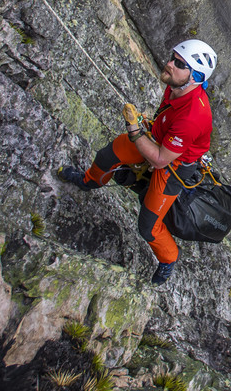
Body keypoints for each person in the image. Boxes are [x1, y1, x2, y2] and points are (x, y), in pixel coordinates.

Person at [58, 39, 217, 284]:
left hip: (174, 166)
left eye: (178, 63)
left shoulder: (193, 116)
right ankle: (89, 181)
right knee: (107, 156)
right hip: (158, 139)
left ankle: (168, 259)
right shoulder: (177, 86)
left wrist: (134, 130)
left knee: (148, 226)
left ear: (194, 76)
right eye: (172, 57)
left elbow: (161, 160)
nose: (169, 64)